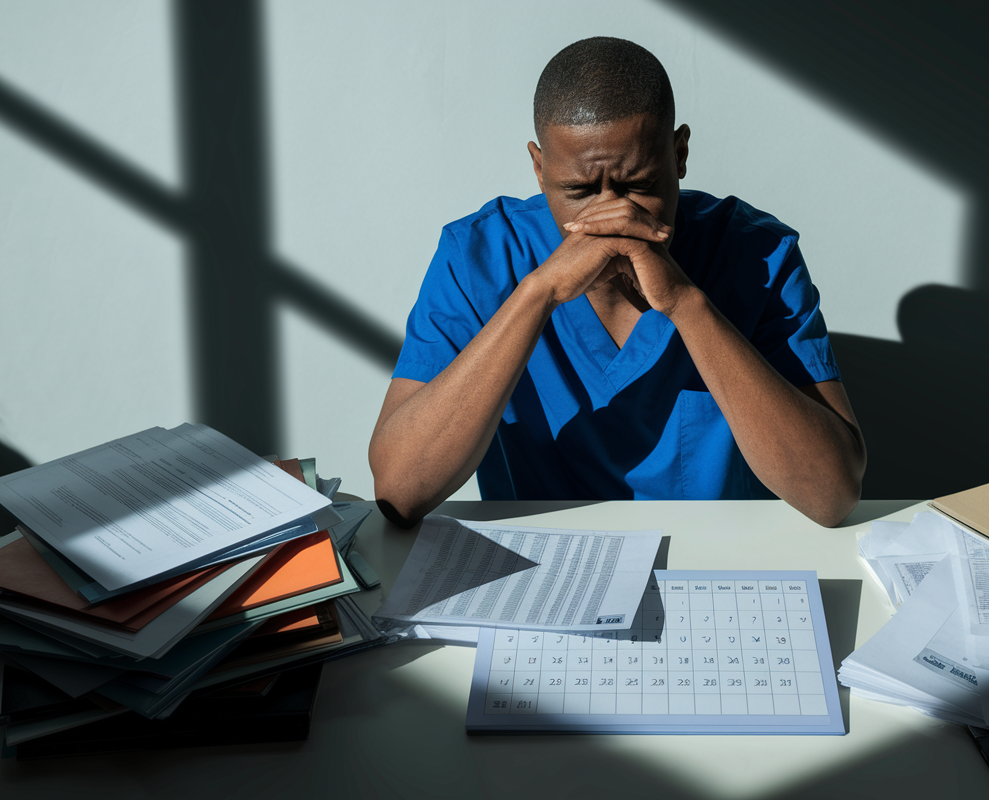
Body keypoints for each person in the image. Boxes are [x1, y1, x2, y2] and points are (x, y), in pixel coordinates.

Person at [369, 37, 865, 527]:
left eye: (639, 186)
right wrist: (539, 292)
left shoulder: (758, 255)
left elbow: (832, 495)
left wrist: (686, 304)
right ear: (540, 169)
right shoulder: (480, 257)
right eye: (580, 191)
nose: (613, 215)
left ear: (680, 153)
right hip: (541, 561)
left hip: (714, 561)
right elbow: (399, 490)